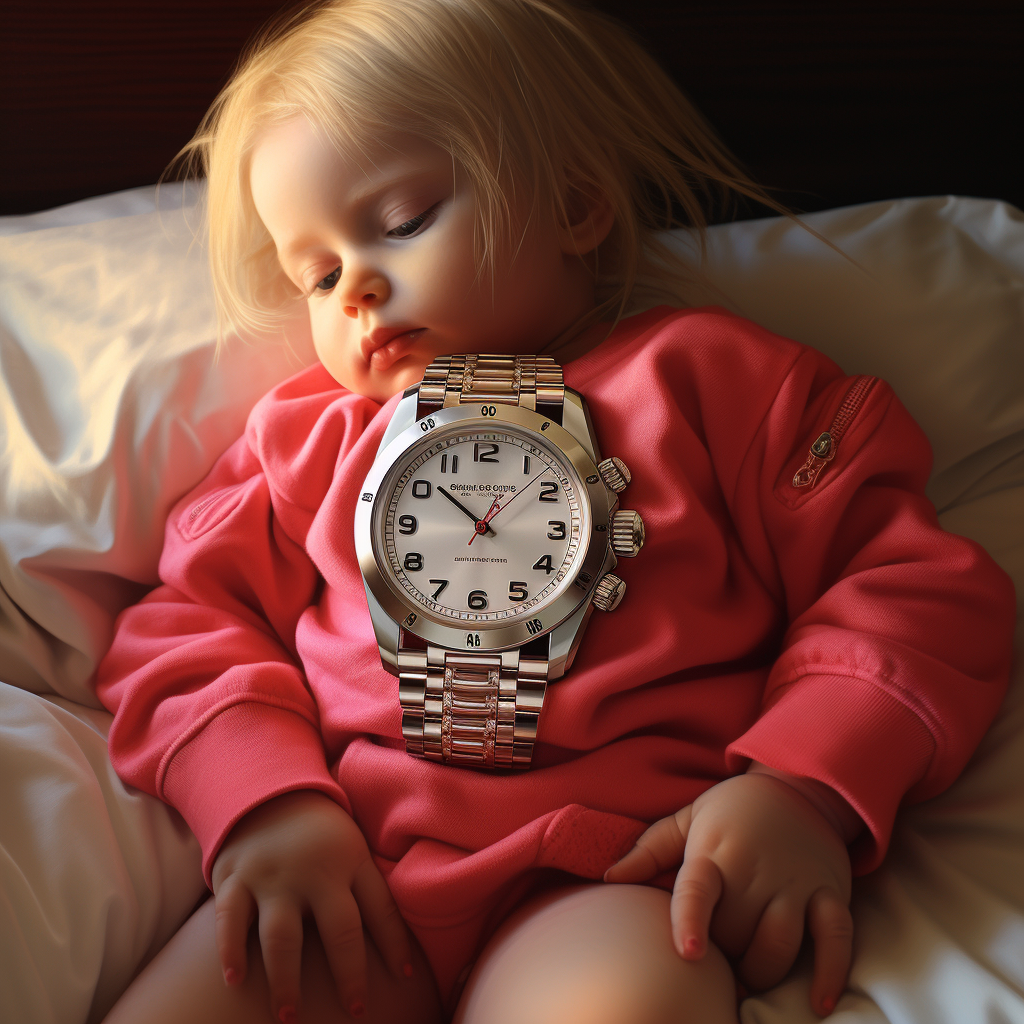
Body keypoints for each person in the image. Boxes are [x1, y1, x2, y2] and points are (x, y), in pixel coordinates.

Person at [95, 1, 1016, 1022]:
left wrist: (803, 783)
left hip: (614, 874)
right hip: (351, 869)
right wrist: (262, 804)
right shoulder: (304, 440)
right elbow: (184, 627)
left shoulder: (716, 383)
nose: (354, 284)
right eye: (313, 272)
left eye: (400, 221)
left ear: (578, 206)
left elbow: (907, 589)